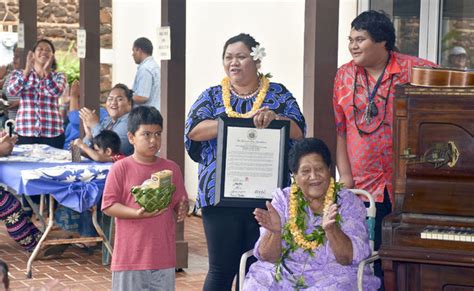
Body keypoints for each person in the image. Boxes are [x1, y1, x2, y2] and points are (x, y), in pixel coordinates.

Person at [185, 33, 306, 291]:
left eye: (241, 56)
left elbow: (299, 130)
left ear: (257, 60)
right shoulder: (212, 96)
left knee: (256, 267)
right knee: (221, 268)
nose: (234, 63)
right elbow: (193, 131)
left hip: (265, 196)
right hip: (219, 196)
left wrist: (276, 118)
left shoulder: (278, 94)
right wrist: (229, 125)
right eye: (228, 57)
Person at [332, 10, 436, 286]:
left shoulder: (413, 69)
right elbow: (340, 131)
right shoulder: (343, 76)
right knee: (368, 256)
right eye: (350, 39)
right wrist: (346, 176)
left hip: (405, 181)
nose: (353, 45)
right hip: (363, 186)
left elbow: (452, 92)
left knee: (403, 256)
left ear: (383, 43)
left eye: (360, 39)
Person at [243, 138, 380, 290]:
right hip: (287, 274)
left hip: (335, 275)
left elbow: (347, 258)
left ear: (329, 169)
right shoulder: (282, 200)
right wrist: (275, 233)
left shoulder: (348, 202)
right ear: (294, 176)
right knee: (257, 283)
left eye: (319, 169)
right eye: (306, 171)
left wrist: (332, 230)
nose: (314, 176)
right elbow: (269, 257)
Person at [102, 106, 189, 291]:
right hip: (130, 258)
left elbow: (179, 202)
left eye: (158, 134)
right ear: (131, 137)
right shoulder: (120, 168)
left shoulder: (171, 168)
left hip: (163, 256)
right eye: (146, 134)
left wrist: (182, 208)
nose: (153, 140)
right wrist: (136, 213)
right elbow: (109, 205)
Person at [6, 39, 67, 149]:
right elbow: (11, 91)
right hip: (25, 131)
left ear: (52, 56)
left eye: (48, 50)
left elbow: (56, 92)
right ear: (33, 55)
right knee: (25, 165)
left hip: (53, 132)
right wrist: (27, 71)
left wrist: (47, 73)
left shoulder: (59, 76)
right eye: (40, 49)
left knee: (54, 165)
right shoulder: (18, 73)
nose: (44, 52)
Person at [79, 83, 133, 156]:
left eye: (119, 99)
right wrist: (89, 135)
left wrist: (94, 125)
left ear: (129, 103)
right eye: (110, 99)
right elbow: (83, 151)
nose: (113, 103)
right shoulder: (108, 120)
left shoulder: (129, 121)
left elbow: (109, 150)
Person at [131, 37, 160, 109]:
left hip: (144, 115)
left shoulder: (145, 69)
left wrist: (125, 97)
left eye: (133, 51)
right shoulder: (154, 66)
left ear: (139, 50)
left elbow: (143, 97)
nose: (132, 54)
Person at [2, 43, 21, 121]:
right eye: (14, 56)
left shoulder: (34, 76)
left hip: (25, 124)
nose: (14, 59)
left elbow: (42, 98)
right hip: (10, 120)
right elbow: (5, 93)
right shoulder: (13, 74)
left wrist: (19, 102)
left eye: (17, 56)